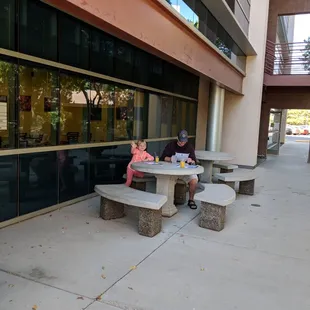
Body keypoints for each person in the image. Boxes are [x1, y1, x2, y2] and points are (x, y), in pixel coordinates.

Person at [160, 129, 198, 209]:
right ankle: (170, 200)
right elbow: (162, 158)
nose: (182, 143)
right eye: (180, 141)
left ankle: (191, 200)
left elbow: (195, 162)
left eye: (184, 141)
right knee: (167, 180)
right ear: (177, 138)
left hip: (186, 171)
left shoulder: (189, 147)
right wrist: (170, 159)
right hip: (173, 171)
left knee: (194, 180)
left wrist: (191, 160)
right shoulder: (171, 145)